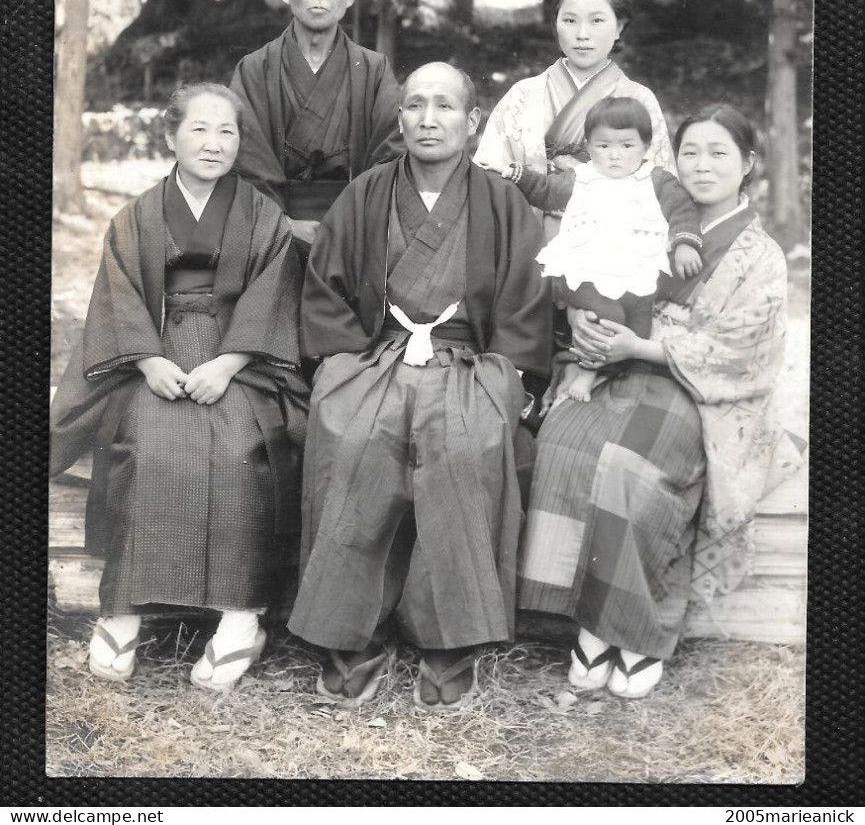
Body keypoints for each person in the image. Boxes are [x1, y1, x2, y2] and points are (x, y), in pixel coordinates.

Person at [288, 62, 551, 711]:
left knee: (461, 449)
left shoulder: (501, 202)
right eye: (414, 105)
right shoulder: (366, 193)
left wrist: (510, 373)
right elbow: (325, 291)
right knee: (354, 440)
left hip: (468, 359)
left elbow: (523, 303)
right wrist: (343, 361)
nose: (428, 118)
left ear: (472, 120)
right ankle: (351, 633)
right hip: (375, 354)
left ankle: (447, 637)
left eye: (443, 106)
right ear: (398, 117)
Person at [518, 105, 803, 699]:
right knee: (565, 442)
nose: (702, 165)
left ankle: (638, 634)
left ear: (747, 164)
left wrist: (643, 345)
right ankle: (588, 624)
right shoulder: (639, 212)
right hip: (610, 368)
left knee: (630, 464)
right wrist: (581, 317)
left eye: (720, 153)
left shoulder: (762, 257)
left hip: (698, 395)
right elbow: (584, 274)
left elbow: (744, 356)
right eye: (692, 152)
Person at [50, 83, 309, 692]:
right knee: (144, 438)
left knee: (240, 444)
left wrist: (228, 363)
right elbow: (117, 299)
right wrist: (144, 362)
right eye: (199, 129)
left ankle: (242, 619)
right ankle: (123, 611)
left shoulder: (261, 213)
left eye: (227, 132)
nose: (214, 143)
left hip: (240, 356)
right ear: (170, 136)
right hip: (156, 353)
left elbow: (274, 295)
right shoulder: (136, 215)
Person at [499, 96, 703, 403]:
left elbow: (681, 210)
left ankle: (611, 375)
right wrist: (520, 176)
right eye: (603, 146)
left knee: (638, 328)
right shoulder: (582, 178)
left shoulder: (657, 180)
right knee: (606, 317)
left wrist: (685, 242)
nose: (614, 156)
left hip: (637, 273)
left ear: (646, 146)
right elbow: (546, 191)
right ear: (590, 147)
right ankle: (586, 371)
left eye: (626, 145)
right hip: (586, 274)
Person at [474, 0, 675, 240]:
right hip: (530, 238)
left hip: (614, 240)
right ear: (555, 23)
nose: (582, 33)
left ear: (620, 27)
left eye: (597, 21)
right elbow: (489, 175)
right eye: (570, 20)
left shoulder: (639, 99)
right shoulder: (522, 95)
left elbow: (660, 186)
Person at [229, 0, 403, 250]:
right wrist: (283, 225)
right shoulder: (255, 70)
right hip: (272, 232)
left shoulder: (375, 70)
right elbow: (246, 161)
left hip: (357, 232)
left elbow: (390, 157)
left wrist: (350, 225)